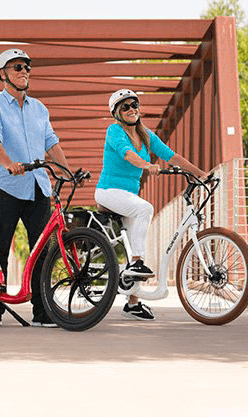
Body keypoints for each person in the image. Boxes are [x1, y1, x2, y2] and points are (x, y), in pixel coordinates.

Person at [0, 48, 71, 328]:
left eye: (27, 67)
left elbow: (52, 143)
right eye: (17, 67)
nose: (24, 71)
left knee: (41, 251)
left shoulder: (39, 108)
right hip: (7, 186)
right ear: (3, 74)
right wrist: (8, 164)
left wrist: (67, 171)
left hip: (38, 186)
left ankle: (41, 312)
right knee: (1, 247)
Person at [95, 89, 207, 321]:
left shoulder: (145, 135)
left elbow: (171, 156)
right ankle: (136, 265)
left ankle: (133, 303)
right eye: (124, 106)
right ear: (116, 113)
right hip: (108, 192)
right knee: (145, 209)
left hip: (128, 197)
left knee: (137, 242)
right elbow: (127, 155)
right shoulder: (114, 130)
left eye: (134, 104)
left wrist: (200, 174)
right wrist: (147, 166)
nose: (131, 109)